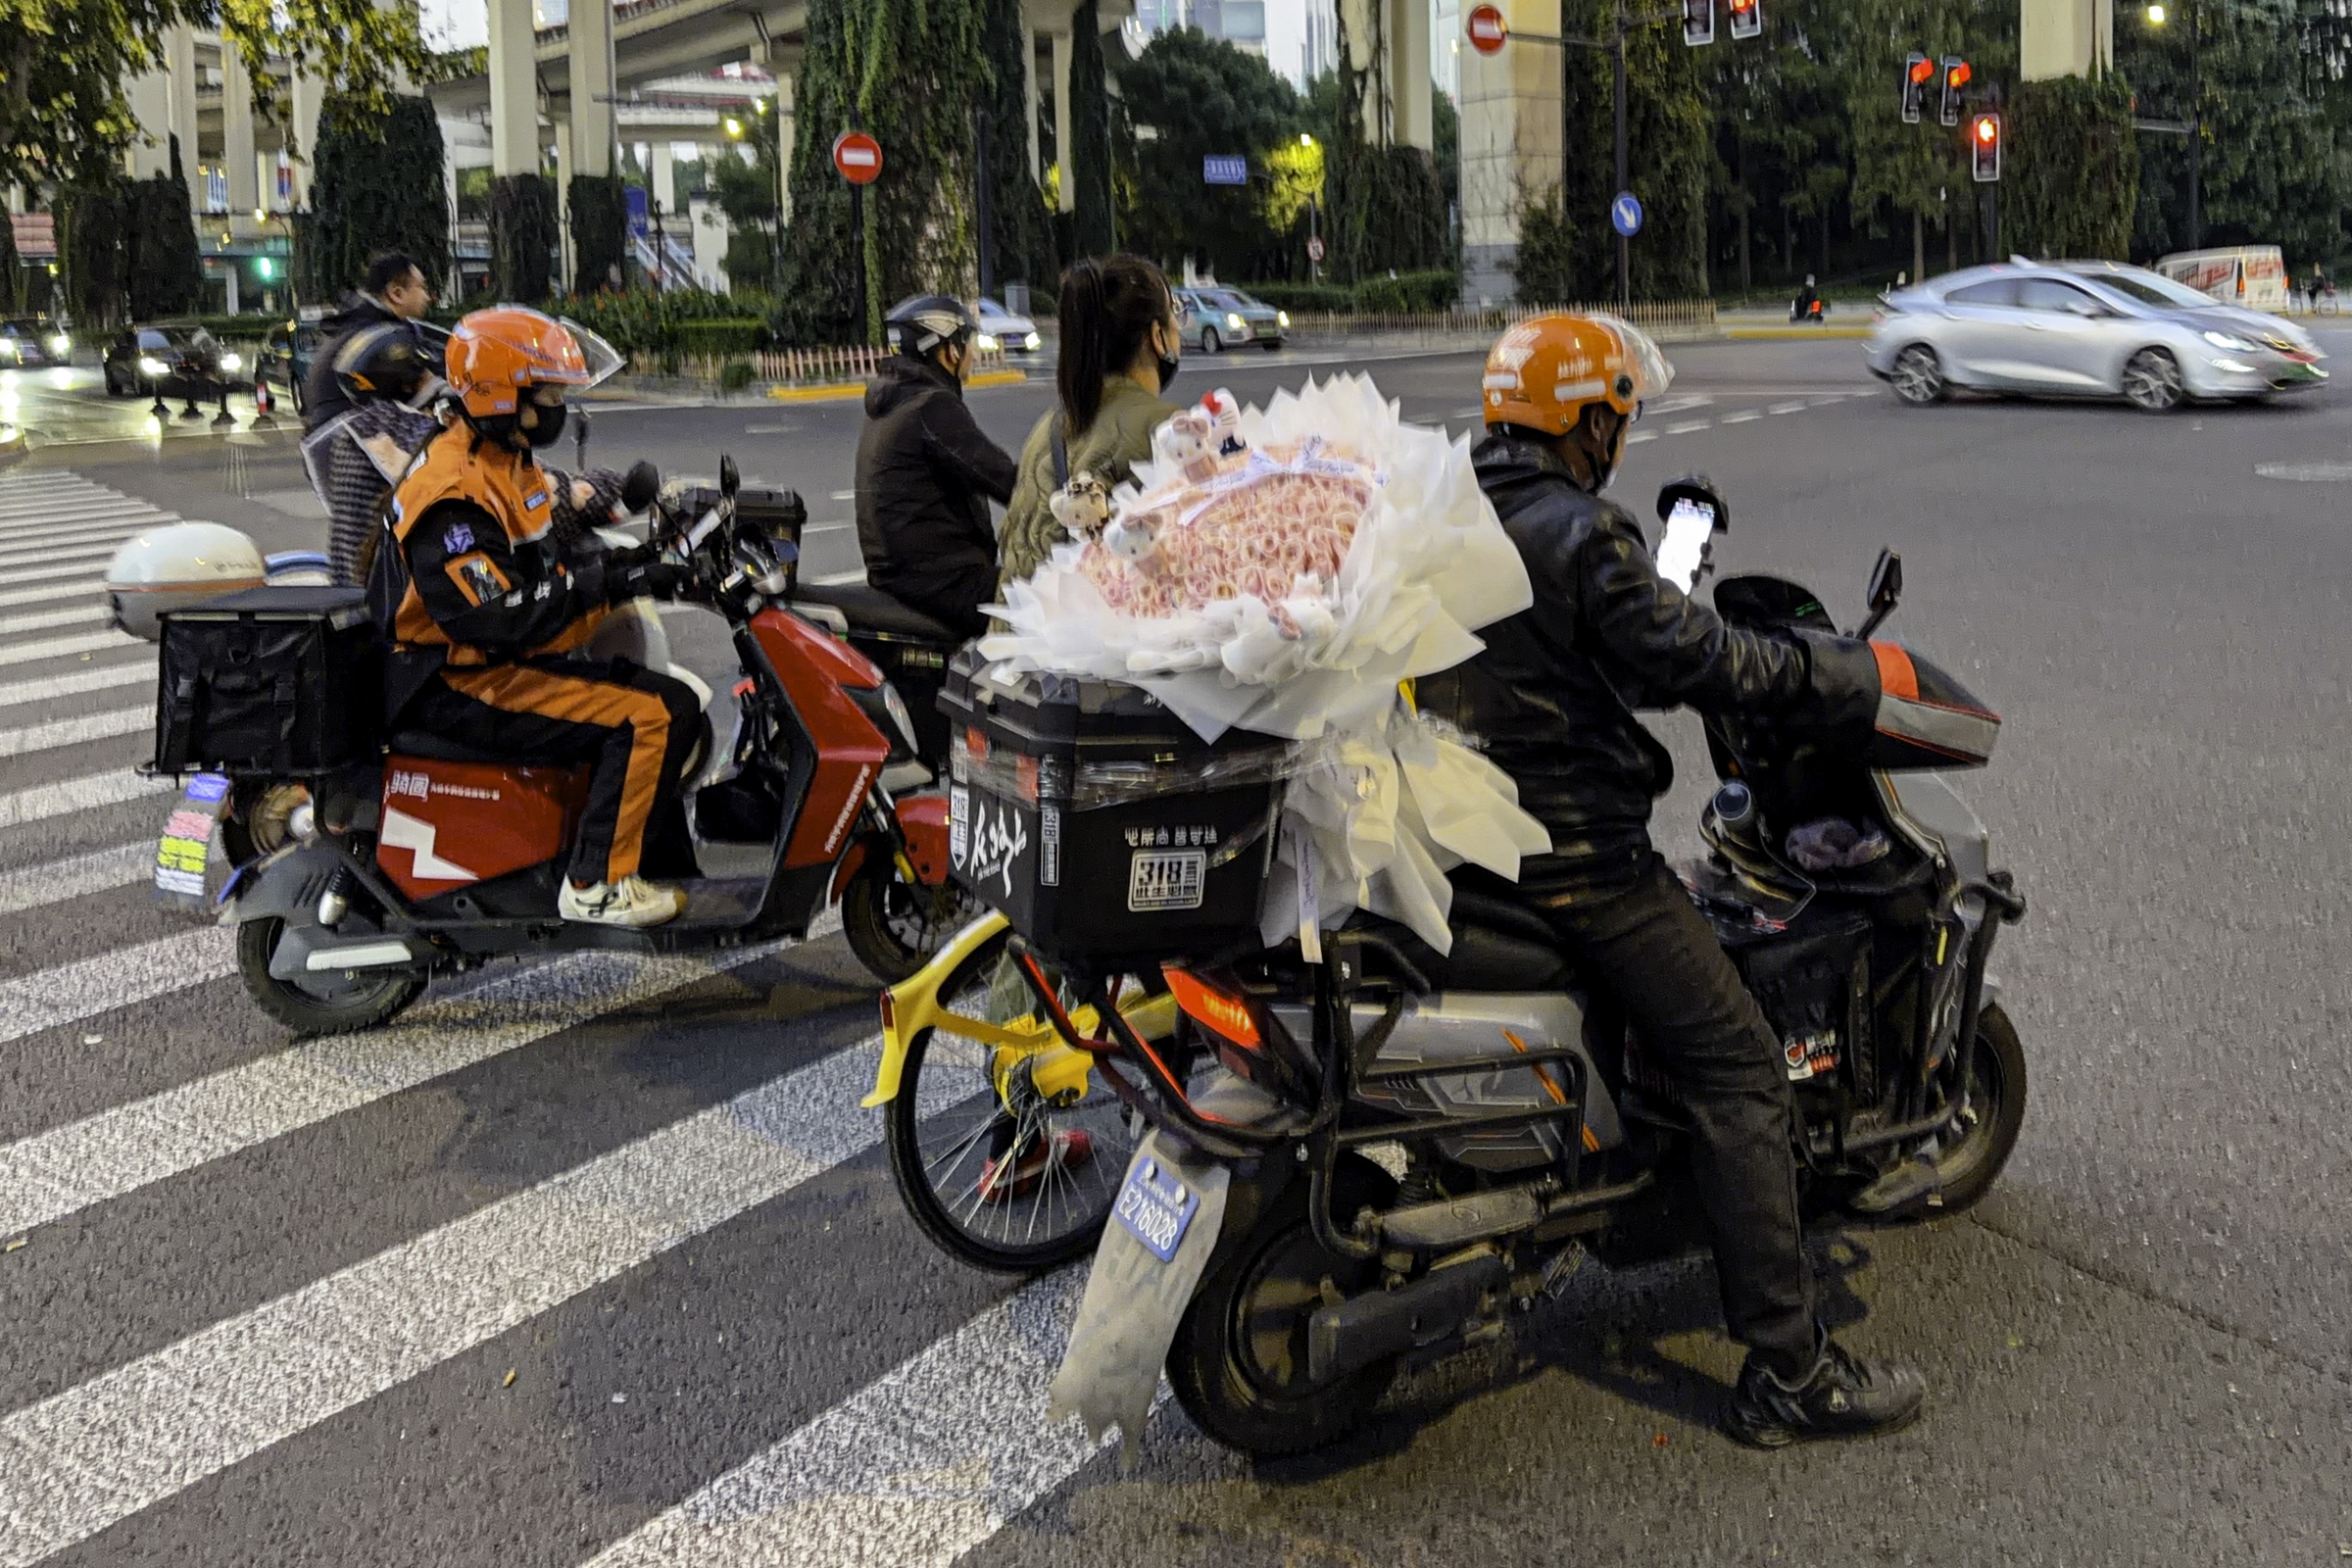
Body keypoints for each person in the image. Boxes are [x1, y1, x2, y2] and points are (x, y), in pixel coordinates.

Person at [1415, 311, 1926, 1448]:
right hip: (1578, 855)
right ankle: (1790, 1370)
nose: (1621, 437)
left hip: (1464, 830)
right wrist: (1824, 670)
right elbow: (1691, 656)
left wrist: (1675, 562)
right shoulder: (1579, 531)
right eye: (1616, 418)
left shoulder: (1449, 504)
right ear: (1585, 420)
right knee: (1740, 1062)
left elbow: (1620, 638)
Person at [378, 307, 698, 929]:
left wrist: (644, 559)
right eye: (547, 392)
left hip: (495, 662)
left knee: (669, 701)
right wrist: (617, 579)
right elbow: (493, 619)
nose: (557, 405)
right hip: (460, 680)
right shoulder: (454, 494)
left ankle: (640, 858)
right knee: (654, 714)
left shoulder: (502, 457)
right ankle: (596, 886)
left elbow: (548, 557)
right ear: (503, 394)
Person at [998, 255, 1184, 587]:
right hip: (1091, 635)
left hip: (1018, 632)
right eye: (1175, 314)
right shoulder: (1166, 428)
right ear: (1158, 336)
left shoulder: (1049, 424)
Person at [854, 296, 1020, 637]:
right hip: (940, 583)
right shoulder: (931, 405)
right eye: (968, 343)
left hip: (903, 578)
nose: (972, 353)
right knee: (1043, 605)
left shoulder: (896, 400)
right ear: (949, 350)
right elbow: (1001, 477)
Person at [304, 251, 437, 432]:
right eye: (421, 287)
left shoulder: (356, 324)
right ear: (396, 293)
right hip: (351, 447)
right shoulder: (386, 337)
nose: (427, 297)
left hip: (329, 442)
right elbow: (422, 386)